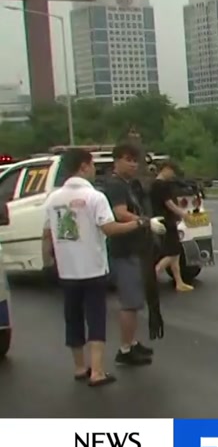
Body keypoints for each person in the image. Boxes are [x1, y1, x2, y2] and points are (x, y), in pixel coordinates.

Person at [41, 149, 155, 387]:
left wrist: (48, 261)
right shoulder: (95, 197)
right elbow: (109, 228)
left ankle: (79, 367)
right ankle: (97, 371)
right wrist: (140, 223)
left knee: (73, 318)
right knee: (95, 318)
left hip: (67, 270)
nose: (94, 169)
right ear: (83, 166)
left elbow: (47, 234)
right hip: (92, 267)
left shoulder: (53, 199)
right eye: (92, 164)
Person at [99, 141, 156, 365]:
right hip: (123, 250)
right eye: (128, 160)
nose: (133, 165)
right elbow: (120, 213)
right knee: (130, 301)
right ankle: (124, 349)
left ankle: (132, 341)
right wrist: (144, 221)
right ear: (117, 161)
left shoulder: (127, 184)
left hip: (133, 248)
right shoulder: (116, 185)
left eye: (135, 161)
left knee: (135, 300)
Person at [150, 161, 194, 292]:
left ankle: (179, 282)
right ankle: (155, 272)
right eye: (172, 171)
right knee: (172, 252)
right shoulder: (161, 185)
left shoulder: (155, 184)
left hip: (165, 220)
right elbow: (169, 203)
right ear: (165, 169)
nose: (173, 175)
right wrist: (183, 214)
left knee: (176, 253)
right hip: (166, 221)